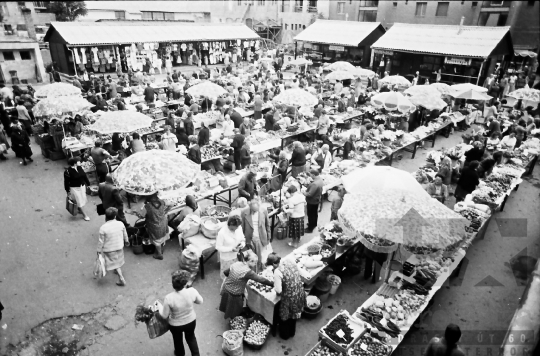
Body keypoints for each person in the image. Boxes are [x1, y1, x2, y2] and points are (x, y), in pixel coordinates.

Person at [219, 250, 273, 319]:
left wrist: (234, 279)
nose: (255, 265)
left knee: (228, 305)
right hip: (234, 293)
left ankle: (230, 314)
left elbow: (226, 272)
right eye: (255, 263)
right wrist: (272, 284)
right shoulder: (248, 272)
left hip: (226, 288)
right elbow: (261, 279)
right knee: (234, 308)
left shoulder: (237, 263)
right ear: (250, 261)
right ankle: (234, 318)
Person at [160, 270, 203, 356]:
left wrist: (159, 307)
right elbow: (200, 301)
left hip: (175, 326)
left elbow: (164, 315)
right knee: (191, 338)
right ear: (185, 283)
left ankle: (180, 353)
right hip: (190, 322)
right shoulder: (191, 291)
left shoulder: (169, 298)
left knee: (177, 340)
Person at [266, 253, 306, 340]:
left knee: (285, 316)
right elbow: (298, 272)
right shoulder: (289, 260)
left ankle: (285, 335)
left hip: (289, 298)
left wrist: (275, 286)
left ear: (273, 264)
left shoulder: (277, 271)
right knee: (293, 315)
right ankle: (292, 332)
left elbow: (279, 290)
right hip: (299, 292)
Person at [97, 207, 129, 286]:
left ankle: (121, 278)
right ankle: (116, 269)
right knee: (117, 260)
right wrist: (127, 241)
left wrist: (98, 250)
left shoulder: (103, 228)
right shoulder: (120, 224)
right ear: (115, 216)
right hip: (119, 246)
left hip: (109, 249)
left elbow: (101, 241)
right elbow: (125, 234)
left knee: (116, 264)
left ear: (106, 216)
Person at [241, 198, 271, 271]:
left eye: (256, 210)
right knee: (252, 257)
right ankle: (253, 271)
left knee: (262, 255)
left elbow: (267, 224)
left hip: (261, 237)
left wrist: (268, 237)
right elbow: (242, 227)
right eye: (253, 210)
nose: (255, 212)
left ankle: (261, 269)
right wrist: (243, 239)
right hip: (250, 238)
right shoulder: (244, 212)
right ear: (250, 207)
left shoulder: (264, 211)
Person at [216, 215, 246, 279]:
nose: (236, 229)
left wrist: (242, 244)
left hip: (237, 257)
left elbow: (242, 238)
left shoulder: (239, 228)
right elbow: (218, 247)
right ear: (230, 224)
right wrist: (231, 249)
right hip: (227, 258)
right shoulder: (222, 233)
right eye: (234, 228)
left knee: (236, 274)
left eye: (237, 227)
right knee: (227, 277)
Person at [144, 193, 170, 260]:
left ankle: (159, 254)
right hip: (163, 222)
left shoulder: (147, 206)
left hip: (154, 225)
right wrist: (165, 212)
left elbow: (142, 216)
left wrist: (135, 213)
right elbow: (171, 204)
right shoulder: (162, 202)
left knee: (156, 240)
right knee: (162, 236)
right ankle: (161, 248)